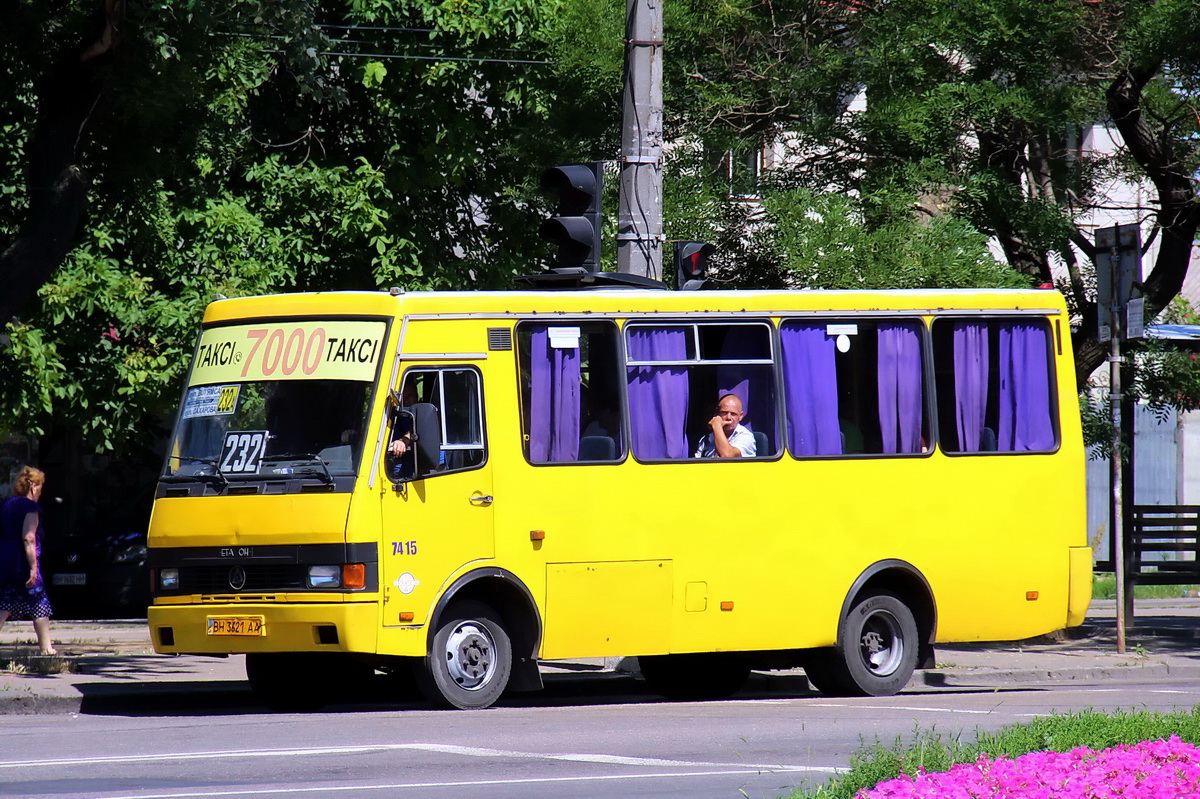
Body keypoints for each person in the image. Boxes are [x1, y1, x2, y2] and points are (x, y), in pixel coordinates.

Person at [0, 466, 56, 655]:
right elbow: (29, 537)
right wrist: (34, 568)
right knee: (40, 603)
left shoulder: (7, 504)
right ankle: (46, 648)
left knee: (4, 604)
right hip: (22, 562)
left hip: (5, 560)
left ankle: (46, 647)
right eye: (40, 487)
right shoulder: (31, 508)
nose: (41, 491)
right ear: (33, 486)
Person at [694, 394, 757, 458]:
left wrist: (717, 425)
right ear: (717, 414)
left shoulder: (745, 436)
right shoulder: (707, 439)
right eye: (724, 413)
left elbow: (727, 456)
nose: (728, 417)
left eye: (733, 414)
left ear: (740, 416)